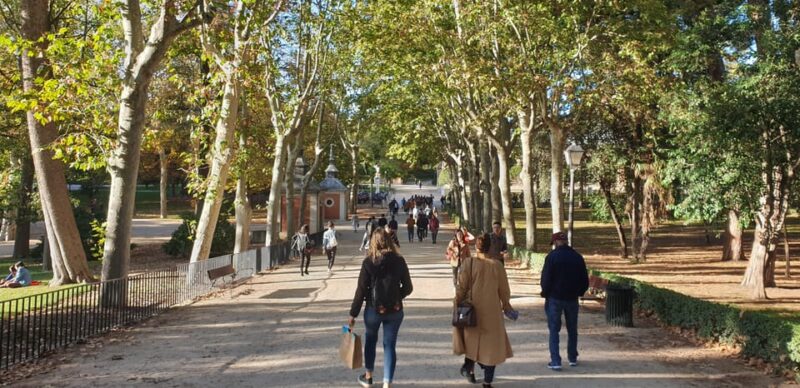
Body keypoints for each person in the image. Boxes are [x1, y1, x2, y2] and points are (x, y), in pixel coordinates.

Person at [348, 230, 413, 388]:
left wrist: (353, 314)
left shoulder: (369, 262)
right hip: (395, 310)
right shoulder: (399, 260)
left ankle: (369, 377)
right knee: (390, 345)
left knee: (370, 341)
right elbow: (409, 287)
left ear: (373, 242)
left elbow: (361, 290)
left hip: (373, 309)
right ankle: (387, 383)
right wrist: (396, 297)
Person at [453, 234, 515, 388]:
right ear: (490, 247)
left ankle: (469, 369)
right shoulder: (497, 266)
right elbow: (504, 291)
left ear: (476, 247)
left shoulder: (469, 263)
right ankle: (487, 381)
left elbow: (461, 287)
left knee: (471, 343)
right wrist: (506, 306)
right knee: (491, 348)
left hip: (472, 311)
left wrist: (457, 302)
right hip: (492, 311)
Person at [540, 232, 589, 370]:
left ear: (555, 242)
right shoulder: (577, 257)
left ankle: (556, 361)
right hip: (572, 298)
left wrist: (545, 293)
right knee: (572, 329)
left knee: (554, 330)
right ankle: (572, 357)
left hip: (555, 298)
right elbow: (584, 280)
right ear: (566, 241)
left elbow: (546, 279)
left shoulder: (551, 257)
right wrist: (579, 292)